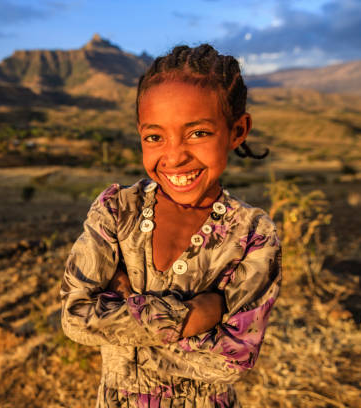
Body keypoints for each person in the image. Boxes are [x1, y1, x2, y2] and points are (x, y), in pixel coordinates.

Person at [60, 44, 282, 408]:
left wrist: (128, 309)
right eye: (154, 137)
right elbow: (76, 316)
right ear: (139, 134)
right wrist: (193, 315)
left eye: (197, 133)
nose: (175, 155)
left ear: (237, 130)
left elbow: (232, 359)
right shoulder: (117, 212)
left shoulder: (252, 235)